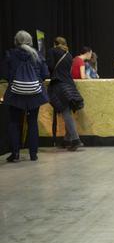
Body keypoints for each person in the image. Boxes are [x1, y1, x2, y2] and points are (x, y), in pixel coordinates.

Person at [2, 30, 50, 162]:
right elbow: (46, 74)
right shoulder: (38, 55)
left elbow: (5, 75)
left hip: (15, 94)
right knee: (32, 122)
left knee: (14, 123)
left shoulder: (10, 55)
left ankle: (15, 154)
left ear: (16, 41)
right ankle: (33, 154)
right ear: (30, 41)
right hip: (35, 94)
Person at [46, 36, 85, 150]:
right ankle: (67, 140)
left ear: (55, 43)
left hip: (59, 84)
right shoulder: (68, 54)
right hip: (70, 84)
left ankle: (75, 139)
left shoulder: (52, 51)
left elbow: (50, 67)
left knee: (65, 112)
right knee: (68, 111)